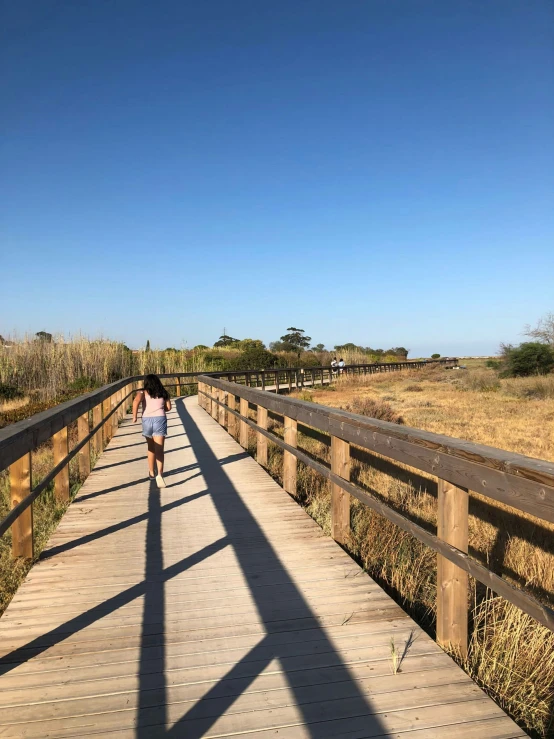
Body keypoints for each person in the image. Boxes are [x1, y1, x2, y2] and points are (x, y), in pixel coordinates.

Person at [133, 374, 172, 487]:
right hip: (160, 419)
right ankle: (159, 473)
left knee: (151, 448)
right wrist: (161, 407)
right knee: (159, 448)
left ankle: (151, 473)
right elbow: (168, 408)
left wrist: (134, 416)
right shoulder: (164, 392)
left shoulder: (142, 392)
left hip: (147, 420)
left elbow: (136, 402)